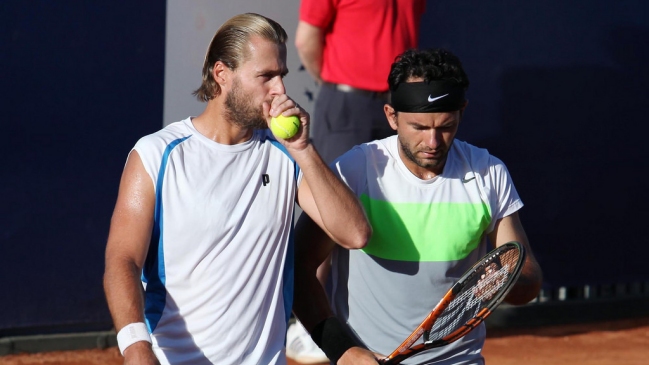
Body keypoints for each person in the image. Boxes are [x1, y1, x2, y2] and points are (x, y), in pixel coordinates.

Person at [102, 13, 371, 365]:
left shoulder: (286, 155)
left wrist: (303, 149)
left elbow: (354, 234)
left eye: (282, 76)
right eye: (266, 76)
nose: (280, 90)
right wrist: (137, 347)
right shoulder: (156, 154)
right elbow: (122, 259)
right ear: (221, 75)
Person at [292, 48, 544, 365]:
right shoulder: (355, 170)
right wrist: (342, 349)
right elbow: (299, 267)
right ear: (391, 116)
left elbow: (527, 280)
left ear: (462, 112)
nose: (433, 142)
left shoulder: (488, 173)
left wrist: (504, 280)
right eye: (419, 128)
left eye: (446, 126)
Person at [289, 2, 426, 361]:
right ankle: (308, 329)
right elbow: (307, 40)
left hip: (400, 105)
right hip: (346, 102)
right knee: (328, 212)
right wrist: (338, 83)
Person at [295, 0, 427, 164]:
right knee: (340, 185)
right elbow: (306, 40)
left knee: (398, 187)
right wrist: (331, 80)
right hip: (349, 106)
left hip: (402, 104)